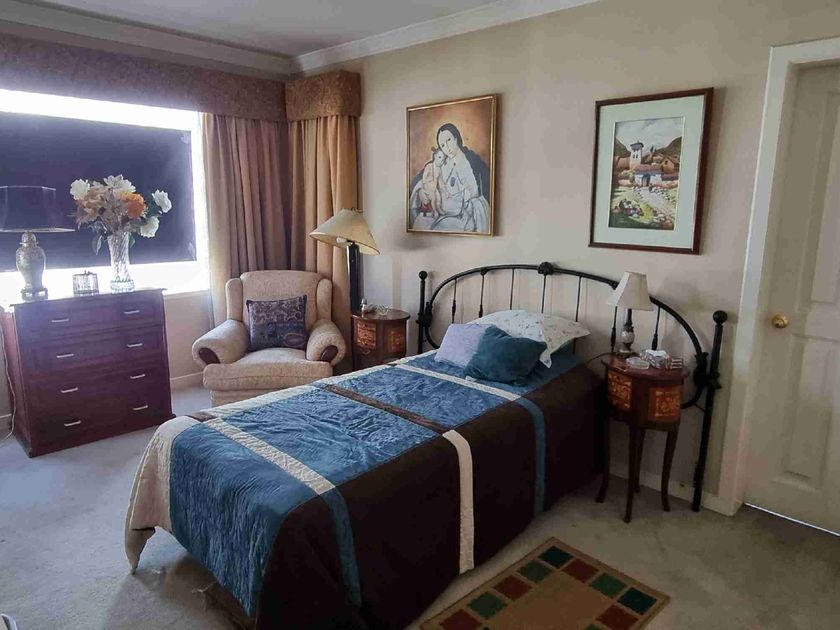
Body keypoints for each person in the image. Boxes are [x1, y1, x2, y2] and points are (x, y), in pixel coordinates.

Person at [409, 123, 490, 233]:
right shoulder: (441, 161)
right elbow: (422, 178)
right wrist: (420, 191)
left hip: (463, 214)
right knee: (421, 223)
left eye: (448, 140)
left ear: (456, 138)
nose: (447, 148)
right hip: (440, 211)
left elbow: (484, 187)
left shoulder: (471, 159)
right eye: (442, 145)